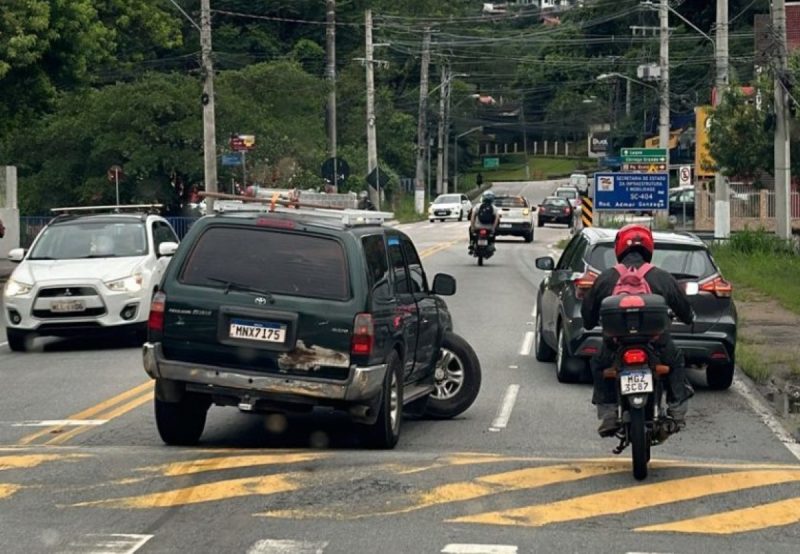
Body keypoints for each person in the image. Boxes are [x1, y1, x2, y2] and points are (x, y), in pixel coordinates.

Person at [581, 224, 695, 437]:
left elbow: (588, 313)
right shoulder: (661, 277)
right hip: (657, 343)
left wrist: (590, 323)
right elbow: (684, 309)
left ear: (620, 248)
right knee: (676, 360)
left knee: (597, 363)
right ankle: (677, 411)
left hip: (614, 345)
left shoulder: (606, 278)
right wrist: (688, 318)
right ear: (649, 248)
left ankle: (608, 414)